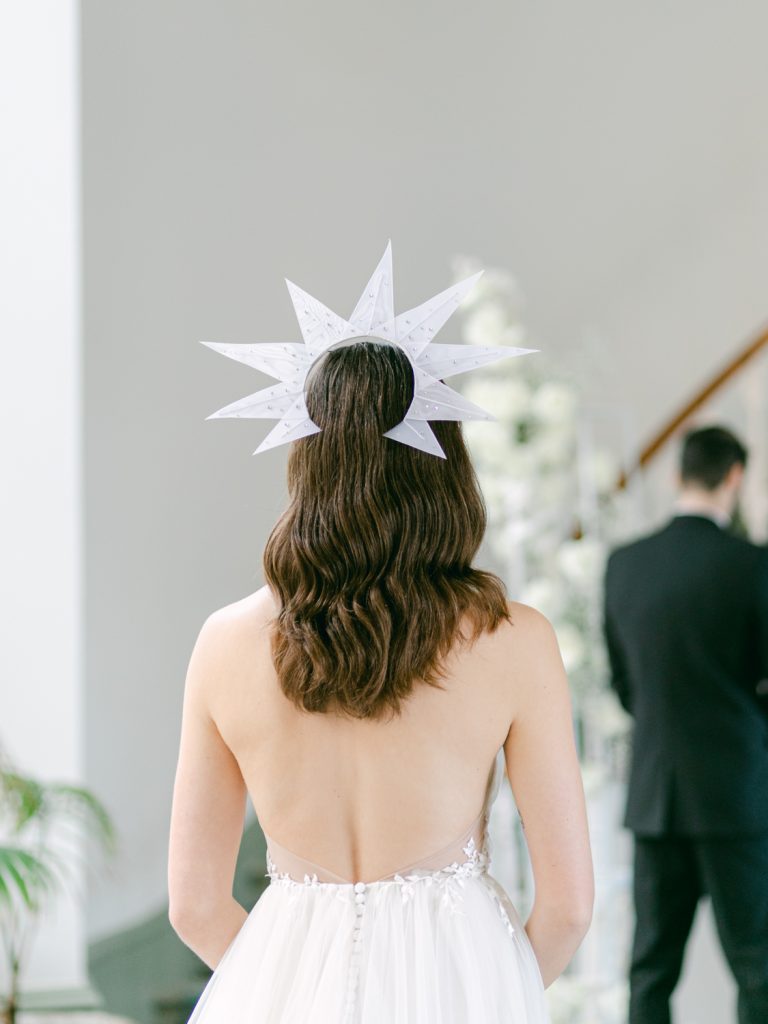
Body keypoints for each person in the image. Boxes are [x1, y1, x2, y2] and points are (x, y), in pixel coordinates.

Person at [167, 249, 593, 1022]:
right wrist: (493, 989)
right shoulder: (513, 640)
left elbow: (195, 906)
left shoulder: (223, 643)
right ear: (444, 463)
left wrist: (288, 987)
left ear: (307, 454)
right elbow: (567, 909)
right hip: (462, 990)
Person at [604, 424, 768, 1024]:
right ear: (734, 477)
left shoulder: (624, 564)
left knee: (649, 973)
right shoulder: (753, 564)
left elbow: (625, 685)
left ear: (677, 475)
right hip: (737, 794)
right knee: (758, 966)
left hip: (657, 795)